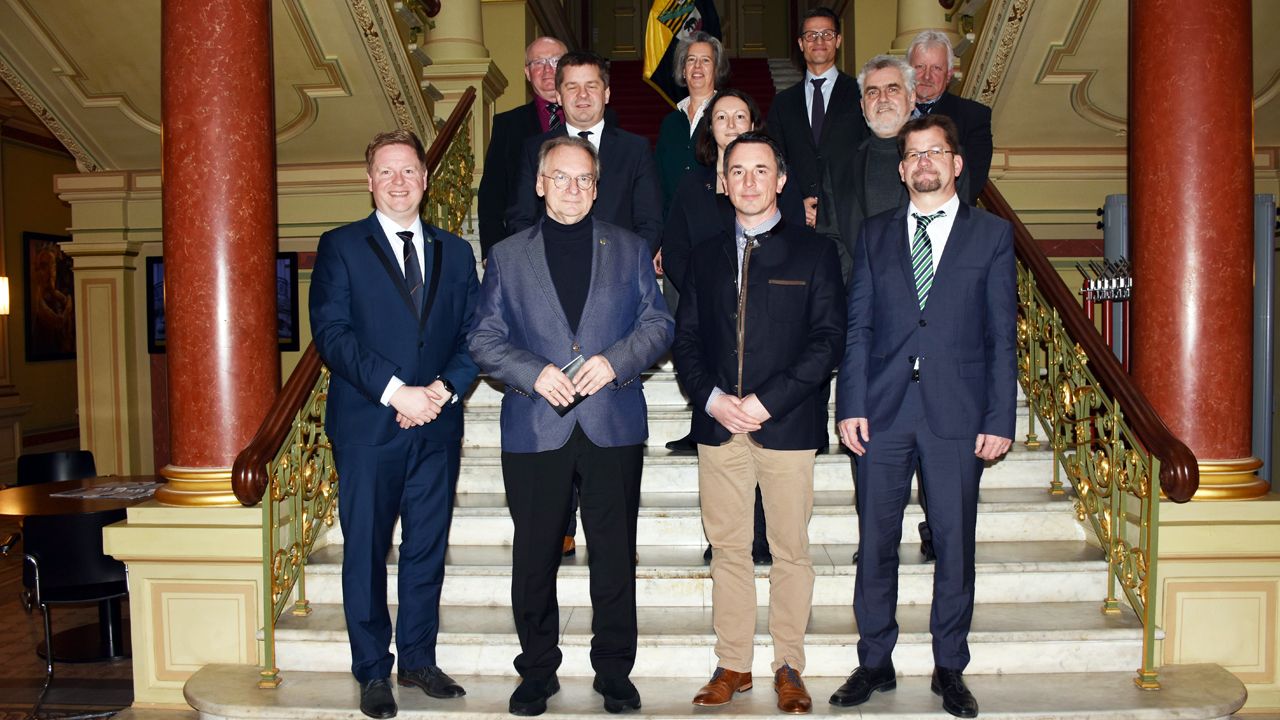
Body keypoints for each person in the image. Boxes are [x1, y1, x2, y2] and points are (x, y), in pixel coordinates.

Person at [469, 136, 673, 717]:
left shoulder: (630, 250)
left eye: (584, 179)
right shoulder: (507, 257)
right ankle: (536, 670)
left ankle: (613, 670)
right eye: (561, 178)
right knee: (534, 556)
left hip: (612, 422)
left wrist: (614, 361)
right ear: (540, 184)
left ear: (597, 185)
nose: (573, 189)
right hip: (537, 428)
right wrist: (533, 373)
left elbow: (657, 325)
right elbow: (484, 338)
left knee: (613, 553)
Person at [830, 114, 1016, 719]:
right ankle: (874, 662)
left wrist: (1000, 416)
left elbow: (999, 337)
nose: (924, 163)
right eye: (913, 155)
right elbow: (857, 327)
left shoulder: (991, 236)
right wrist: (849, 404)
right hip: (880, 413)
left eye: (936, 152)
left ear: (957, 164)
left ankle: (950, 668)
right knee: (875, 542)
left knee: (955, 545)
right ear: (902, 167)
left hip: (958, 415)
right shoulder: (876, 234)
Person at [672, 132, 845, 714]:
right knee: (728, 549)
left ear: (781, 179)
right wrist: (713, 398)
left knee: (790, 549)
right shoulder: (703, 255)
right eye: (737, 170)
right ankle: (733, 663)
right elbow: (687, 340)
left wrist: (768, 401)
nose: (748, 180)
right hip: (721, 426)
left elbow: (827, 343)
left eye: (760, 170)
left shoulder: (815, 252)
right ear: (722, 180)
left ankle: (788, 665)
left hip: (786, 425)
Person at [309, 129, 478, 719]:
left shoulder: (456, 253)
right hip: (368, 427)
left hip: (435, 426)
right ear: (369, 180)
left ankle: (419, 660)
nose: (399, 181)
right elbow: (332, 336)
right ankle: (372, 670)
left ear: (427, 180)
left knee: (426, 548)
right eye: (387, 171)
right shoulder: (341, 247)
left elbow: (471, 338)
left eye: (409, 170)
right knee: (365, 551)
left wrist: (440, 391)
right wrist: (396, 393)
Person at [661, 89, 796, 561]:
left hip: (766, 332)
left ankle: (760, 536)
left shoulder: (769, 188)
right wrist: (706, 286)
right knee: (723, 440)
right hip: (711, 319)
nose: (731, 122)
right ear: (709, 127)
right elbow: (676, 248)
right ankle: (726, 538)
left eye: (741, 115)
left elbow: (792, 246)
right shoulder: (690, 186)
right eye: (722, 116)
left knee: (760, 432)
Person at [506, 51, 663, 254]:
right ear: (559, 96)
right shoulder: (534, 149)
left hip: (619, 273)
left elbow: (650, 223)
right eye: (572, 87)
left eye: (591, 86)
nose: (582, 95)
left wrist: (625, 267)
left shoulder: (635, 149)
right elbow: (520, 218)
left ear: (606, 94)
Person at [764, 6, 867, 228]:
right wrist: (794, 202)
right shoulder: (783, 103)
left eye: (826, 34)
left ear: (838, 40)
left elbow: (867, 151)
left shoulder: (861, 92)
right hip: (798, 218)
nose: (818, 41)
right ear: (801, 44)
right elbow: (774, 158)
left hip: (849, 216)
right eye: (811, 35)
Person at [477, 37, 568, 260]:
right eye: (538, 62)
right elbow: (492, 193)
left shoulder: (595, 120)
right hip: (524, 247)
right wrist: (493, 250)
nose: (547, 69)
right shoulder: (507, 125)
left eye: (556, 61)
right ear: (527, 73)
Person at [907, 30, 993, 204]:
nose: (927, 76)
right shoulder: (888, 115)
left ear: (948, 75)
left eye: (936, 68)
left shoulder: (974, 116)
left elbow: (972, 182)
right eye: (920, 67)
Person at [654, 31, 728, 214]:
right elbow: (659, 180)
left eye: (705, 60)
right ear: (683, 70)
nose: (697, 66)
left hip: (716, 222)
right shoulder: (669, 123)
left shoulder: (728, 116)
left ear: (716, 69)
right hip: (673, 226)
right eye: (691, 60)